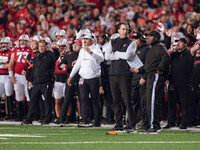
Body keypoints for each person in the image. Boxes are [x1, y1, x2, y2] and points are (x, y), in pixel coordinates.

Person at [105, 21, 137, 133]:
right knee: (116, 100)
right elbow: (107, 56)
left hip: (125, 74)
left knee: (128, 100)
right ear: (118, 30)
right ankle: (118, 124)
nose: (125, 31)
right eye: (123, 29)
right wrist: (120, 56)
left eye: (127, 29)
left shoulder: (132, 43)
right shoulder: (112, 41)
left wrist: (116, 53)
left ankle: (131, 124)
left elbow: (128, 56)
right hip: (113, 74)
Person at [67, 33, 104, 127]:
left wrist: (92, 53)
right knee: (83, 99)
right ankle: (85, 119)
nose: (85, 41)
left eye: (87, 39)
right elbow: (78, 64)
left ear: (92, 40)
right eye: (84, 39)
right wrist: (71, 76)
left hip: (93, 78)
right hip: (83, 78)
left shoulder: (96, 49)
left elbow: (101, 59)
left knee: (95, 100)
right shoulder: (82, 50)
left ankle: (97, 121)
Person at [22, 39, 60, 125]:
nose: (41, 48)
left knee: (47, 101)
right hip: (36, 83)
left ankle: (47, 119)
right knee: (33, 101)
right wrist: (30, 80)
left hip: (46, 82)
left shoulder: (50, 54)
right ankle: (29, 119)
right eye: (40, 46)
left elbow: (56, 56)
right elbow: (33, 69)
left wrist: (55, 49)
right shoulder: (37, 56)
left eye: (43, 46)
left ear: (46, 46)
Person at [164, 38, 199, 129]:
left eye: (180, 42)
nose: (178, 43)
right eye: (177, 42)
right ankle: (171, 122)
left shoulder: (189, 52)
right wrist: (171, 49)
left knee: (184, 105)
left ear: (185, 44)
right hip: (173, 82)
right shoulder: (174, 54)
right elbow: (165, 57)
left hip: (185, 83)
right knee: (171, 104)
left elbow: (197, 47)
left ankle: (184, 123)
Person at [140, 30, 170, 133]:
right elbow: (150, 64)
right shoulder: (153, 48)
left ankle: (152, 125)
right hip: (150, 76)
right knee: (151, 101)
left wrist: (160, 68)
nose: (148, 38)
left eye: (150, 36)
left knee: (152, 101)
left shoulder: (160, 46)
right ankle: (155, 124)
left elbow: (167, 56)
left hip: (155, 76)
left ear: (156, 37)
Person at [58, 39, 82, 126]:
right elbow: (59, 65)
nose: (75, 46)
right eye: (74, 44)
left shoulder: (83, 55)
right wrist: (61, 66)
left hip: (80, 80)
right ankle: (61, 119)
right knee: (67, 100)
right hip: (70, 80)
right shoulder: (68, 56)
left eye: (77, 45)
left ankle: (83, 118)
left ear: (81, 46)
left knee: (82, 100)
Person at [9, 34, 32, 121]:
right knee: (18, 96)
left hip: (27, 76)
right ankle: (19, 116)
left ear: (28, 42)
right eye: (21, 40)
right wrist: (11, 75)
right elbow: (11, 64)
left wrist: (28, 72)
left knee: (28, 95)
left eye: (24, 41)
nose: (22, 42)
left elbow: (32, 63)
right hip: (17, 76)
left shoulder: (30, 50)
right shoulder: (15, 50)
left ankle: (29, 115)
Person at [129, 32, 150, 129]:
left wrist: (144, 77)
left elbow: (149, 65)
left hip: (142, 78)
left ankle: (145, 122)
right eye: (132, 39)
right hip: (134, 78)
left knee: (143, 102)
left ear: (141, 39)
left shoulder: (147, 49)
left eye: (136, 39)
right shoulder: (133, 49)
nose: (134, 41)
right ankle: (132, 122)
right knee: (134, 102)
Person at [98, 33, 114, 124]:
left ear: (106, 39)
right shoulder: (101, 48)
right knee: (102, 99)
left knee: (109, 99)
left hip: (107, 75)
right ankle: (104, 117)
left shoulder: (108, 48)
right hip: (102, 74)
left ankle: (111, 118)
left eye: (101, 38)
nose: (99, 39)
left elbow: (107, 63)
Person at [52, 39, 69, 124]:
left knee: (67, 100)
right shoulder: (55, 55)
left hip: (66, 79)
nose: (61, 48)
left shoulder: (69, 55)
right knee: (57, 100)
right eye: (60, 46)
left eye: (63, 46)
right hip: (57, 79)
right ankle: (58, 117)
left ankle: (67, 117)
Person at [0, 37, 14, 120]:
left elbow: (10, 65)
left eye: (5, 43)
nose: (3, 45)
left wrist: (2, 66)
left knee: (9, 95)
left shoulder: (11, 52)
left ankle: (10, 114)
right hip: (0, 76)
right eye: (2, 43)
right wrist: (4, 66)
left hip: (7, 76)